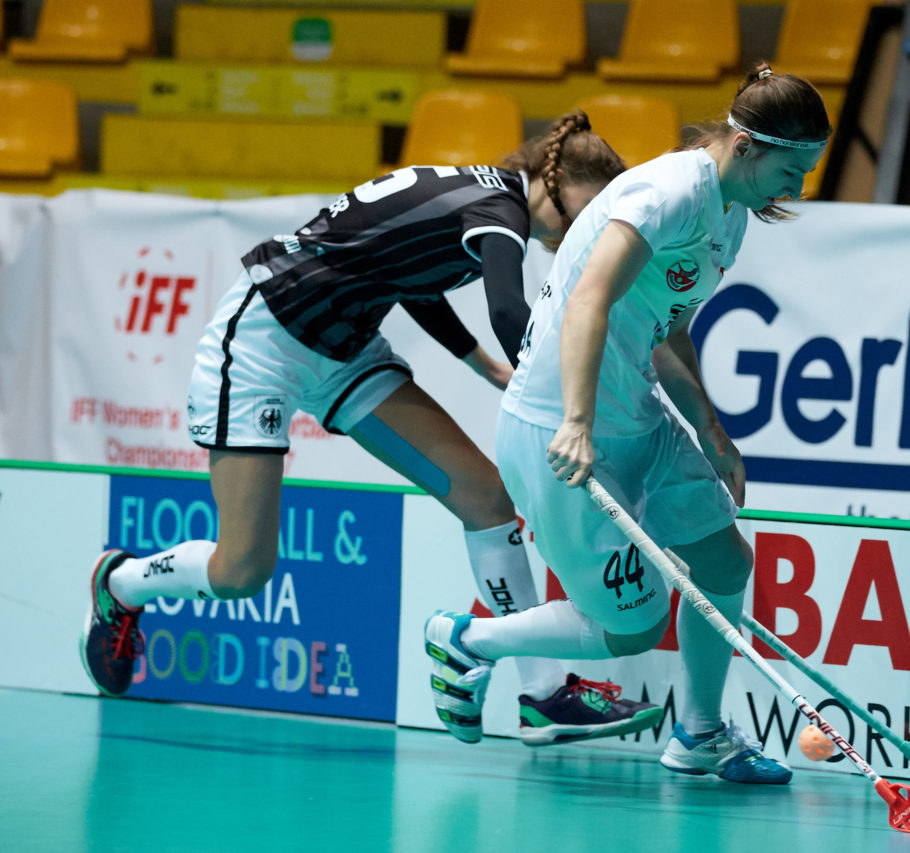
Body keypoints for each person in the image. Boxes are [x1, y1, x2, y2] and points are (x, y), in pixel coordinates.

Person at [80, 111, 665, 747]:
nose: (580, 233)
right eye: (582, 213)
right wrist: (570, 394)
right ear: (553, 179)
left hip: (347, 353)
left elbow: (412, 280)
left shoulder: (475, 194)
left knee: (487, 499)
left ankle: (542, 693)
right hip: (260, 345)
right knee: (242, 570)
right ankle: (121, 583)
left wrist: (484, 367)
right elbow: (506, 308)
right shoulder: (502, 210)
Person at [425, 63, 832, 783]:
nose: (795, 189)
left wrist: (712, 431)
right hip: (560, 428)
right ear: (745, 145)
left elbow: (665, 329)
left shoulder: (728, 217)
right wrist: (578, 421)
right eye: (790, 169)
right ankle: (467, 640)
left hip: (634, 414)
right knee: (632, 626)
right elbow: (590, 298)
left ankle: (700, 733)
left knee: (724, 563)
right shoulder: (667, 192)